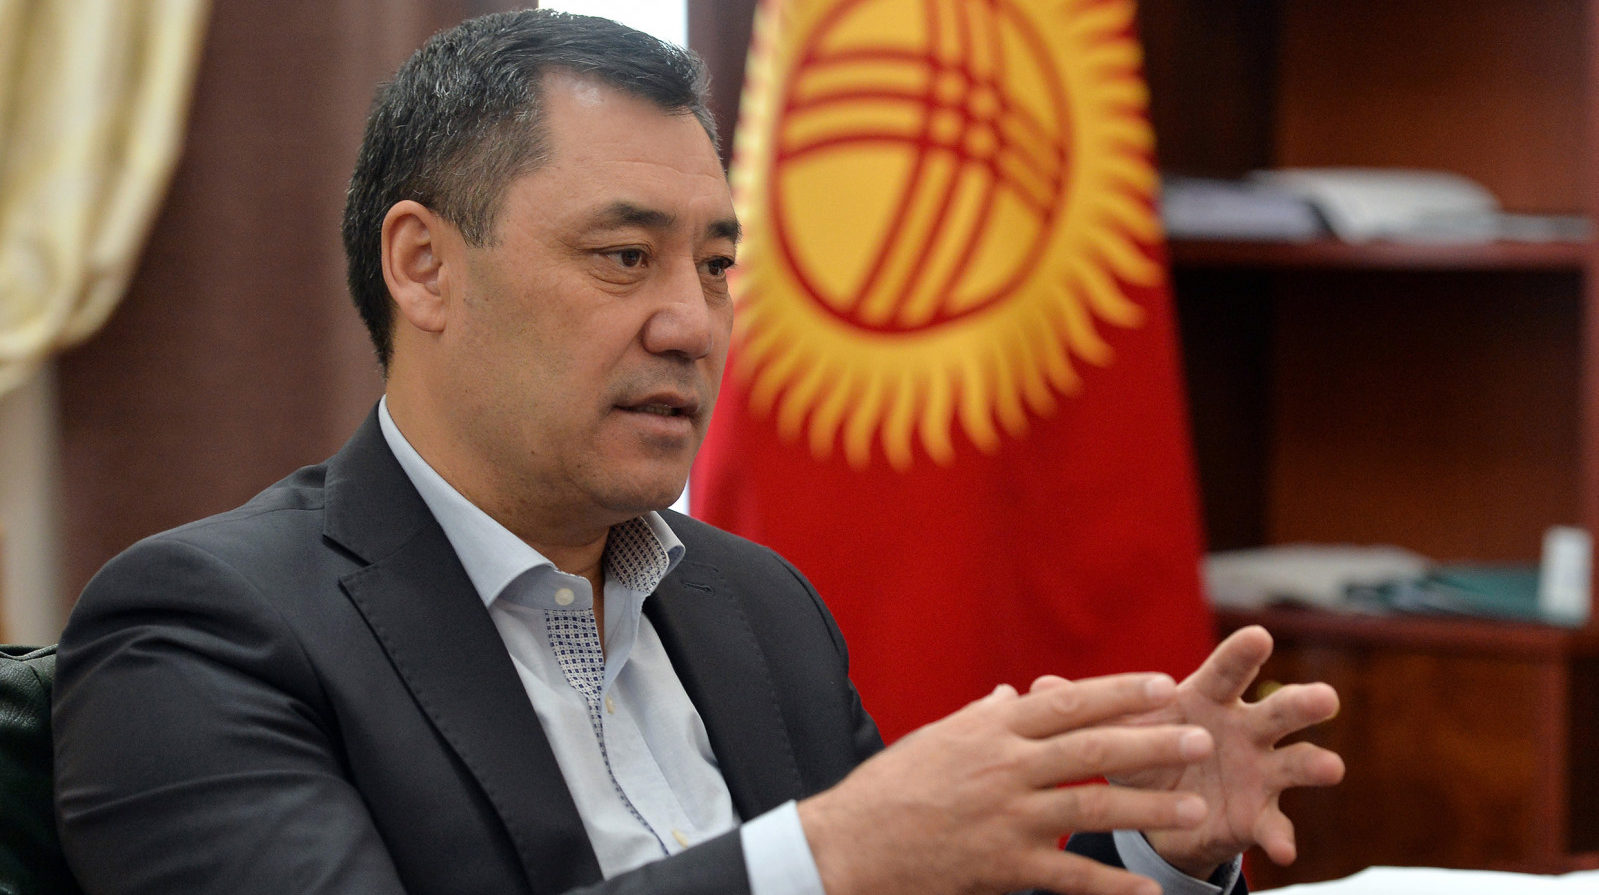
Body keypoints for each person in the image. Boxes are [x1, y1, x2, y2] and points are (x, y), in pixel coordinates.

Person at [51, 9, 1344, 895]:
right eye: (624, 257)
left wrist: (1159, 846)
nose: (692, 323)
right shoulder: (203, 628)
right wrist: (821, 860)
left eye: (717, 266)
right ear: (424, 267)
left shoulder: (756, 606)